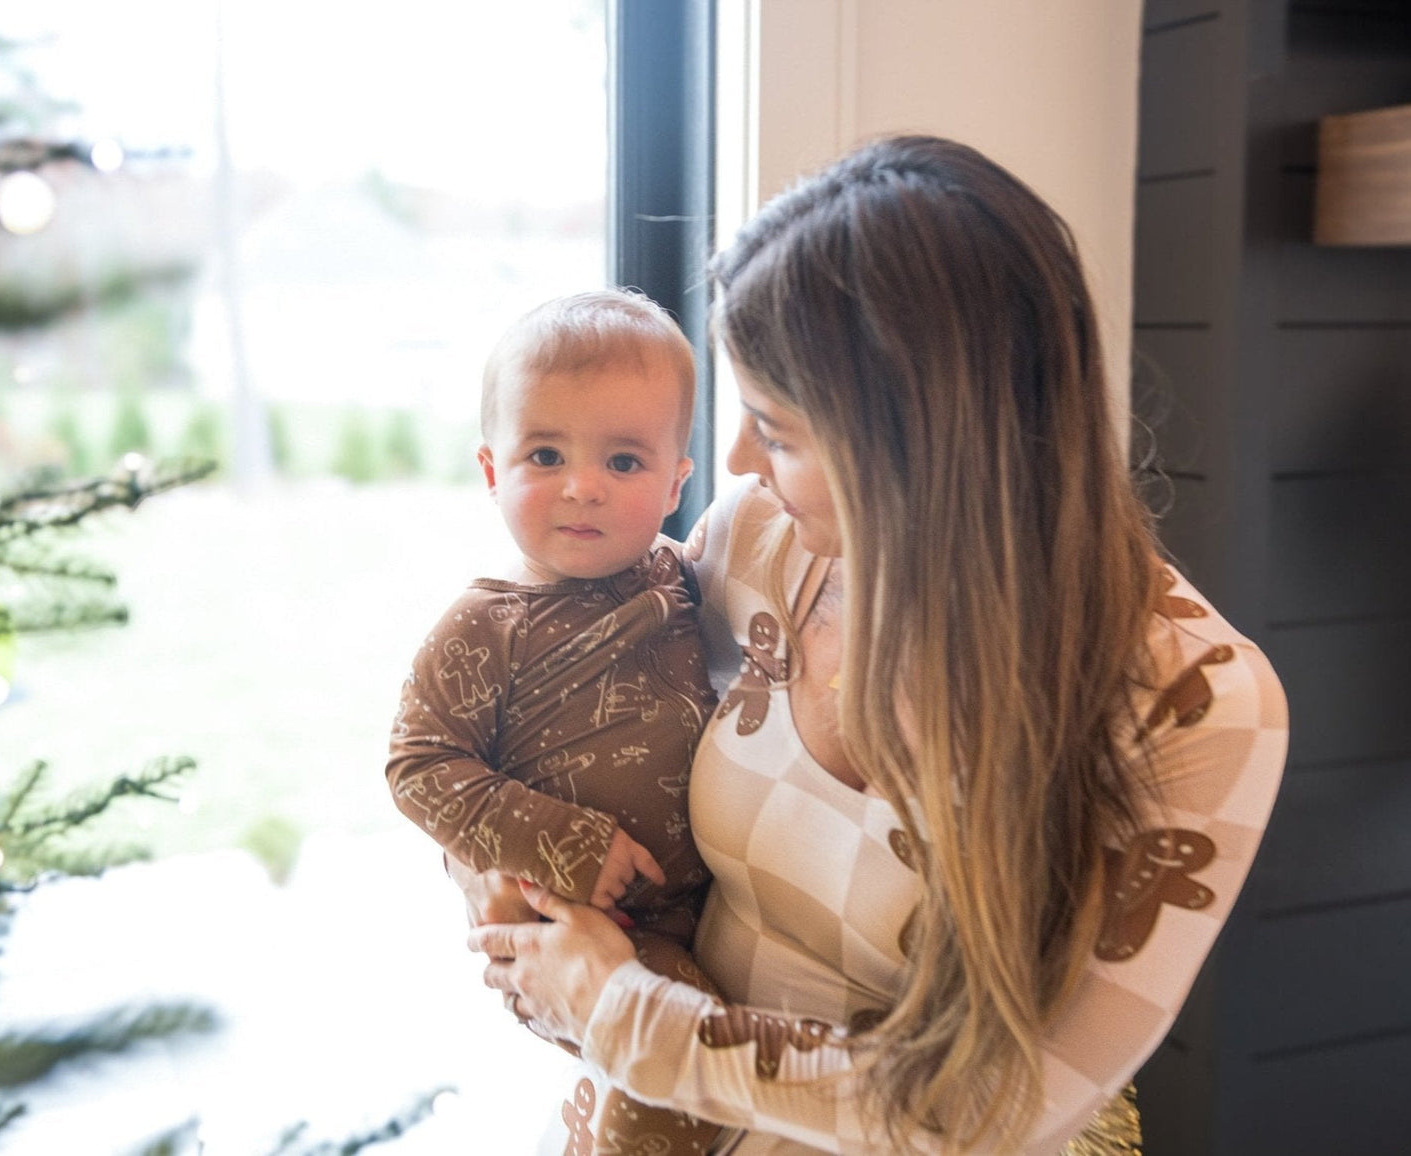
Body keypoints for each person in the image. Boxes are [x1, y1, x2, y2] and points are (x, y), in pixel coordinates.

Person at [461, 136, 1288, 1155]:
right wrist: (510, 878)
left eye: (777, 427)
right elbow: (570, 717)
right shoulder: (757, 539)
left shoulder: (1190, 702)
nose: (732, 462)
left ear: (920, 444)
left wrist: (621, 1010)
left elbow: (992, 1106)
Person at [385, 289, 725, 1155]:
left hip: (698, 912)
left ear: (677, 481)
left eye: (622, 462)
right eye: (545, 454)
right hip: (579, 930)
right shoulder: (485, 625)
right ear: (493, 470)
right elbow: (419, 764)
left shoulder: (684, 579)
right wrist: (565, 846)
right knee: (677, 1055)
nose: (582, 487)